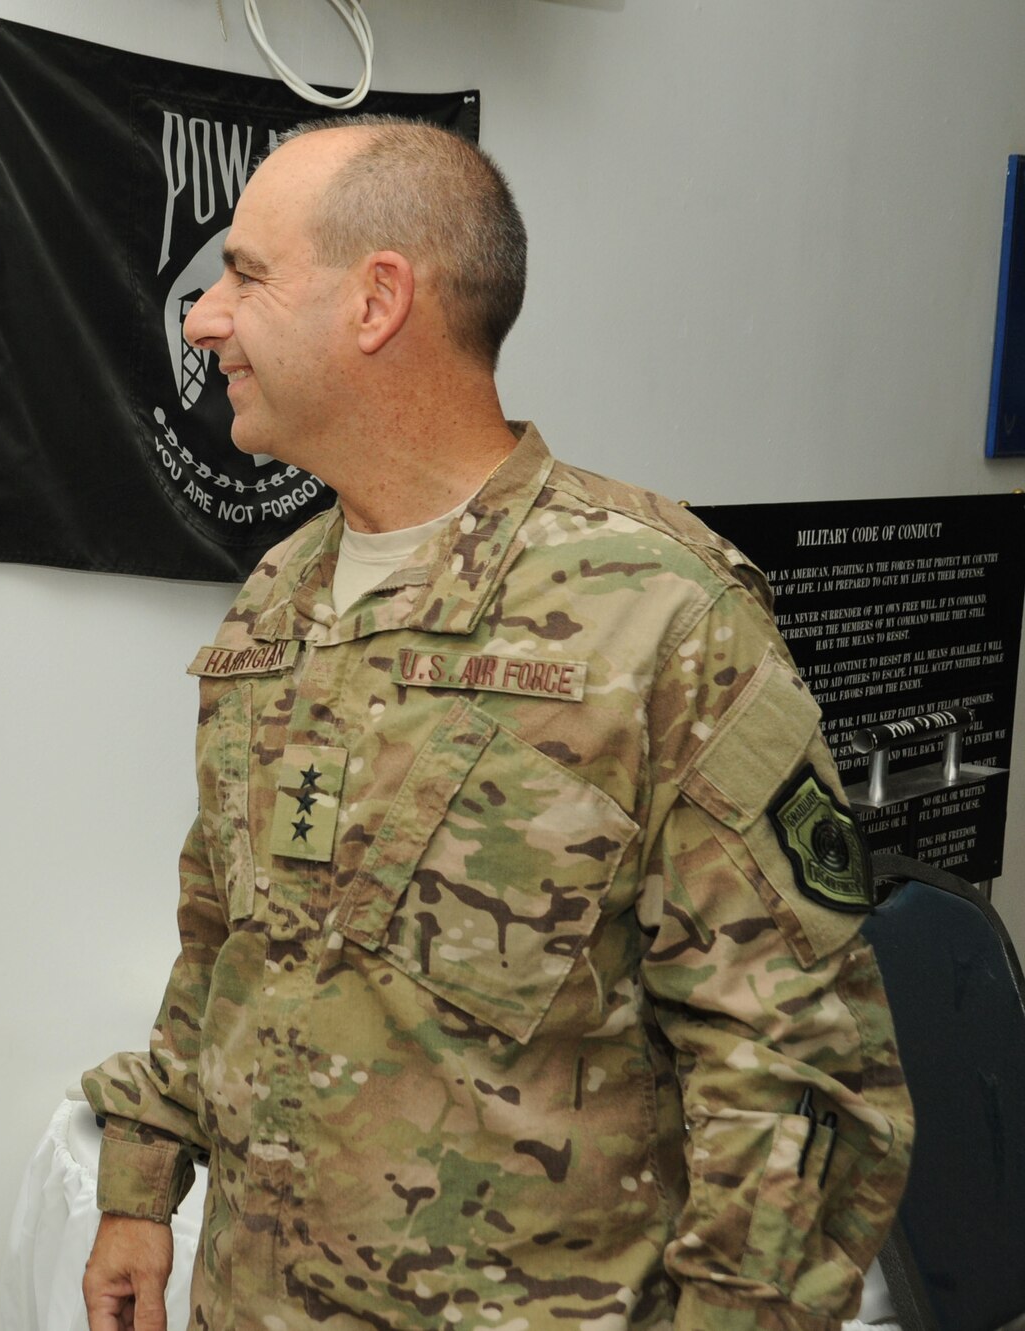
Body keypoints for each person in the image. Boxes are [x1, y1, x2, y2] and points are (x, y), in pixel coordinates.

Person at [80, 117, 912, 1331]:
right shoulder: (278, 599)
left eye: (245, 277)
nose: (202, 318)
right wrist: (143, 1181)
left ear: (376, 303)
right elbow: (227, 937)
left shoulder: (656, 613)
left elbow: (789, 1063)